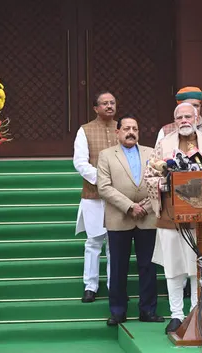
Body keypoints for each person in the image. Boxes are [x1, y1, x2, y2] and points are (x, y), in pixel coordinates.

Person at [145, 102, 202, 334]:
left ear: (197, 118)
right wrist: (165, 182)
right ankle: (176, 314)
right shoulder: (163, 144)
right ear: (174, 120)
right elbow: (149, 176)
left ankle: (197, 312)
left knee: (197, 265)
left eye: (189, 116)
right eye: (180, 117)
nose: (184, 121)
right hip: (172, 215)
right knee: (174, 266)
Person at [97, 114, 164, 326]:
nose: (131, 132)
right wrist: (129, 206)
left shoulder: (151, 153)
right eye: (126, 128)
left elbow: (158, 181)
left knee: (148, 267)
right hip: (119, 217)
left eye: (134, 128)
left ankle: (148, 311)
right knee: (118, 267)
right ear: (118, 132)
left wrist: (142, 206)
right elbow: (104, 187)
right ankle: (117, 312)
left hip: (147, 217)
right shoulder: (106, 155)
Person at [73, 91, 118, 303]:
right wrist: (103, 180)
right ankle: (90, 285)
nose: (109, 106)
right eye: (104, 103)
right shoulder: (85, 130)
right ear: (95, 108)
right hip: (94, 195)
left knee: (114, 242)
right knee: (94, 241)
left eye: (112, 103)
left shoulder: (123, 128)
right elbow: (80, 163)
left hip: (119, 196)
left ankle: (113, 285)